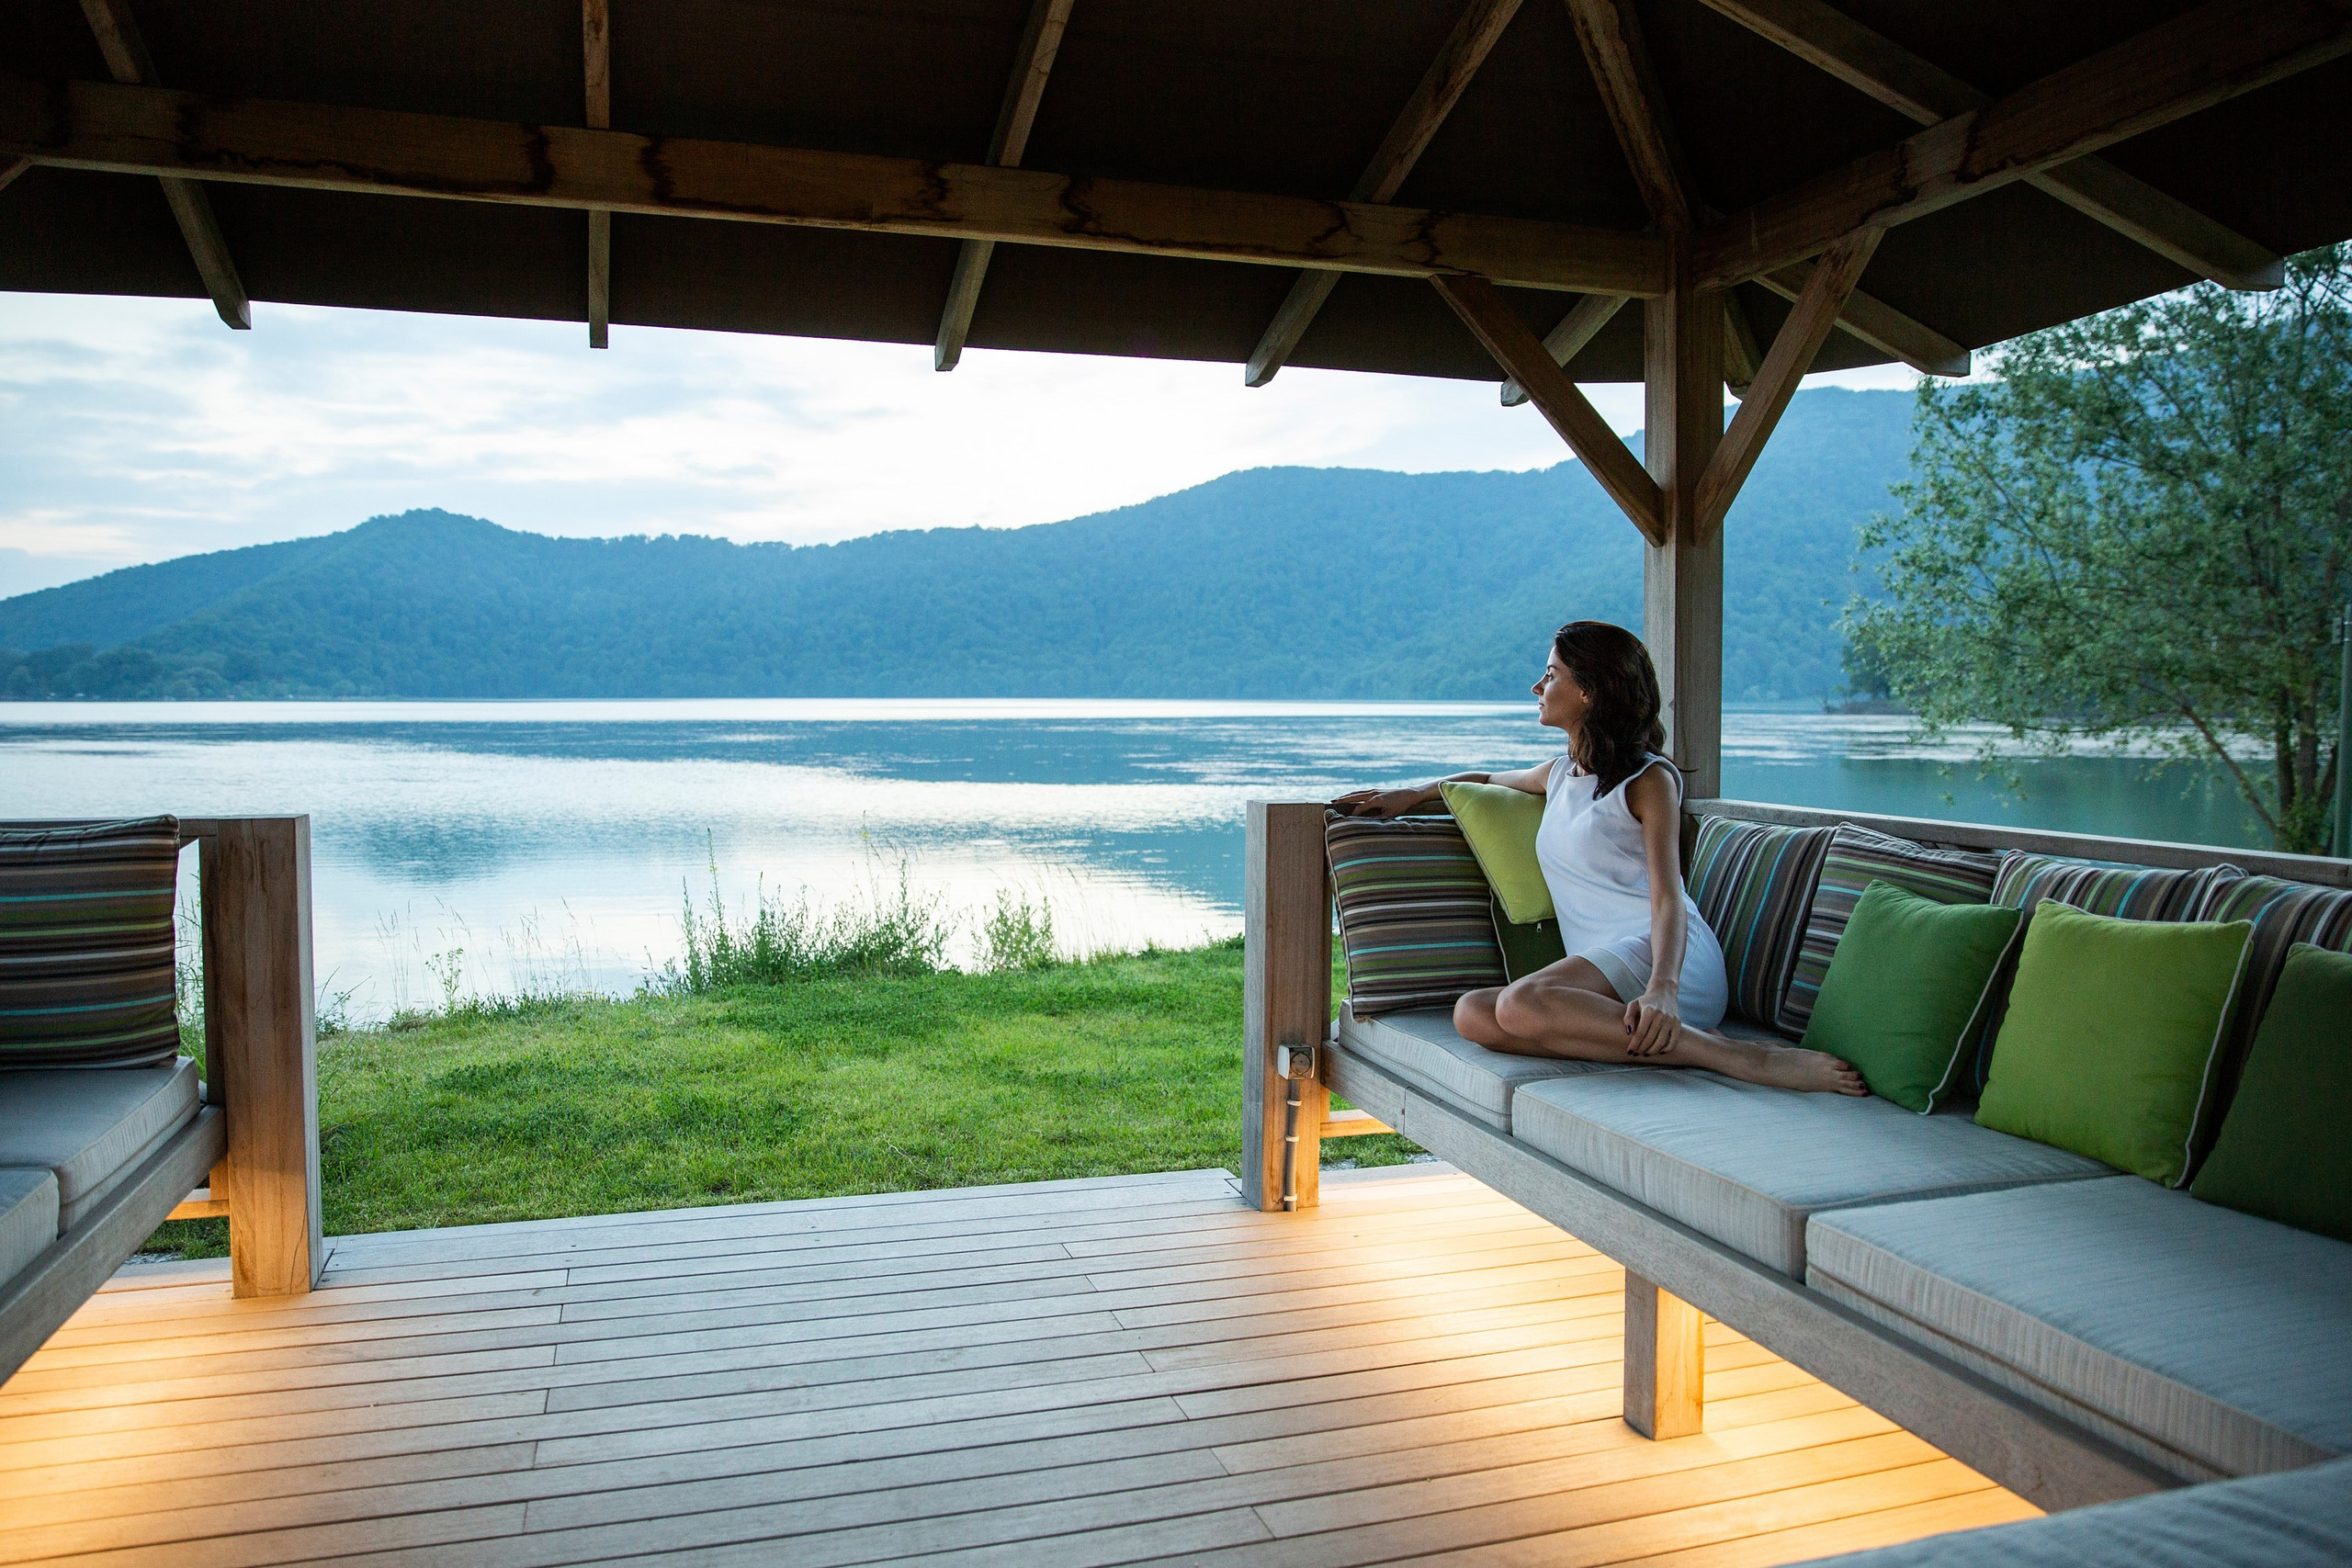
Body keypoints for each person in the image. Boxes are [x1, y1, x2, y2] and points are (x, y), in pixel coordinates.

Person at [1333, 621, 1865, 1095]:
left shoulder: (1648, 781)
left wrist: (1663, 988)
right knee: (1473, 1014)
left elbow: (1669, 896)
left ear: (1587, 691)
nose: (1537, 688)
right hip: (1602, 983)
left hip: (1663, 961)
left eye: (1550, 675)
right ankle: (1675, 1050)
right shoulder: (1561, 773)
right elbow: (1484, 780)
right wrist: (1412, 795)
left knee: (1519, 1006)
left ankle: (1738, 1057)